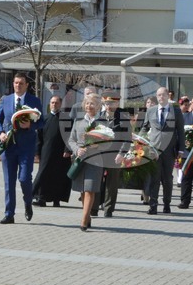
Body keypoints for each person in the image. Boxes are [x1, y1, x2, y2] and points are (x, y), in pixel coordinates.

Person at [0, 73, 44, 224]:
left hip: (26, 147)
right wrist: (0, 133)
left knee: (24, 178)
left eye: (21, 83)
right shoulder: (6, 100)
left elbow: (42, 122)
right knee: (9, 181)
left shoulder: (34, 101)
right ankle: (9, 213)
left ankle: (28, 202)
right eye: (16, 83)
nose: (18, 85)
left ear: (27, 85)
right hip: (9, 146)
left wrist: (31, 125)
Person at [138, 87, 184, 214]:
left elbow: (180, 131)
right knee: (154, 178)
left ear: (168, 95)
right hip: (154, 150)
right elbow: (145, 128)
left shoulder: (176, 111)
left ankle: (167, 204)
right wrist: (140, 141)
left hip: (170, 150)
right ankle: (153, 205)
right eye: (158, 95)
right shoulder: (151, 111)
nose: (161, 97)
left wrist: (181, 149)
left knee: (167, 179)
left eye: (163, 95)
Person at [68, 93, 105, 231]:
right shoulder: (78, 121)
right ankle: (87, 215)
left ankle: (83, 220)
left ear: (98, 106)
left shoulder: (103, 123)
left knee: (90, 188)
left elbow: (109, 143)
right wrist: (77, 149)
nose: (89, 106)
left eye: (93, 104)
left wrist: (98, 146)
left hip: (95, 160)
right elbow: (71, 140)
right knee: (82, 190)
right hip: (80, 159)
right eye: (87, 103)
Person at [32, 95, 72, 208]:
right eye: (52, 103)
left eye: (57, 103)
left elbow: (70, 136)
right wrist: (38, 152)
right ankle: (41, 198)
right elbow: (39, 137)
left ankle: (57, 199)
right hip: (46, 151)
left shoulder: (66, 119)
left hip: (62, 153)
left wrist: (67, 150)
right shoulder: (44, 118)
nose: (54, 105)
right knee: (44, 174)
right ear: (49, 104)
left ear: (60, 104)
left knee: (59, 175)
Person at [95, 95, 125, 218]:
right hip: (99, 154)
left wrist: (121, 153)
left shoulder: (123, 119)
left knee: (112, 184)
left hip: (115, 154)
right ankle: (94, 207)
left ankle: (108, 209)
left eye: (112, 103)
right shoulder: (98, 117)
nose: (109, 106)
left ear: (117, 104)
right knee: (96, 181)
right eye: (107, 103)